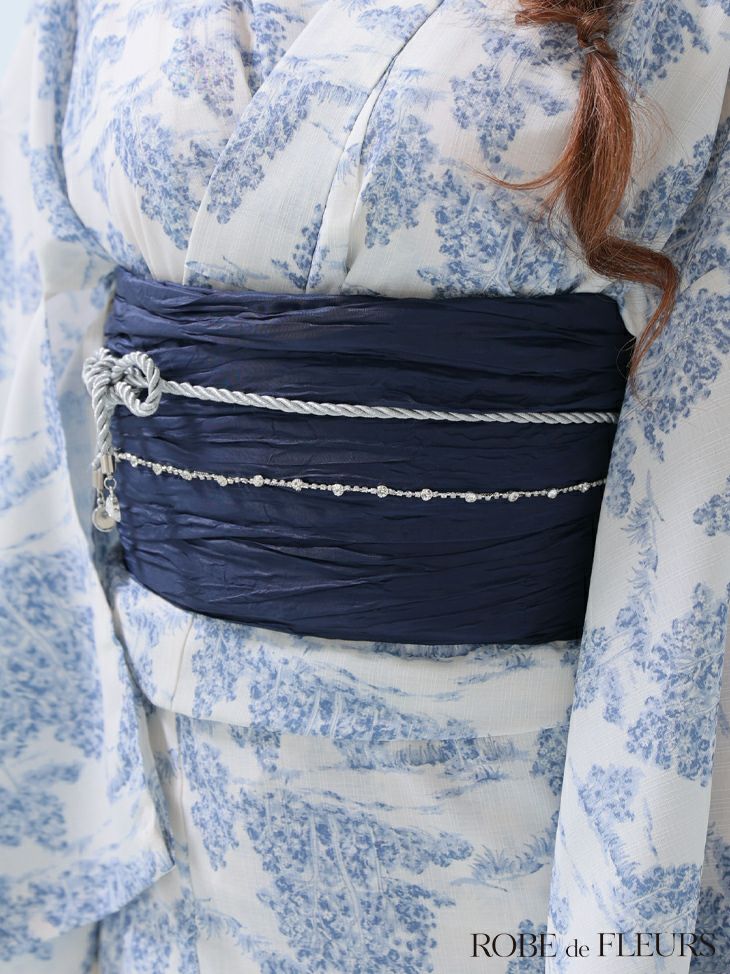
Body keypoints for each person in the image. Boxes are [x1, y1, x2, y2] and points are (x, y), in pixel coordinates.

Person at [0, 0, 728, 971]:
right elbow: (37, 350)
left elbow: (696, 480)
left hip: (505, 804)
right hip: (170, 786)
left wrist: (621, 920)